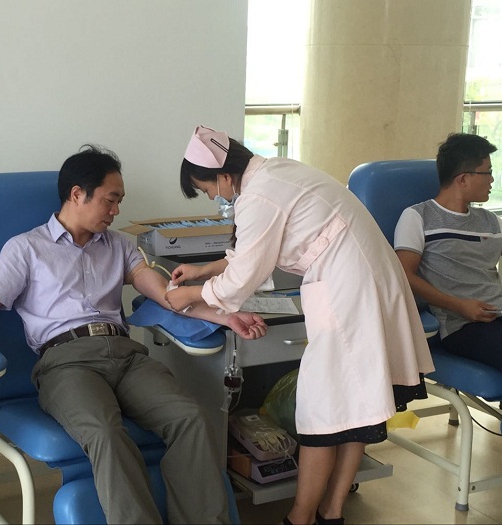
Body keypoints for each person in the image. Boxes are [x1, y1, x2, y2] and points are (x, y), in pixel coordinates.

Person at [0, 144, 267, 524]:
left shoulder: (120, 246)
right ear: (77, 194)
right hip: (66, 363)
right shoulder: (27, 248)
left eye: (119, 201)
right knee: (105, 432)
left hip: (127, 356)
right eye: (110, 200)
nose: (116, 211)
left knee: (192, 418)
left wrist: (226, 316)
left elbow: (167, 296)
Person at [165, 125, 434, 525]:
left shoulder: (257, 196)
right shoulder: (275, 171)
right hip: (366, 278)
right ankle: (331, 512)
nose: (214, 197)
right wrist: (203, 271)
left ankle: (300, 518)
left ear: (223, 176)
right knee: (358, 406)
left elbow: (242, 277)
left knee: (323, 412)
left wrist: (188, 295)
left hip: (350, 289)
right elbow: (251, 253)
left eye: (208, 189)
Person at [394, 133, 502, 372]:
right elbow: (404, 275)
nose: (492, 180)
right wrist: (459, 306)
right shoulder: (418, 217)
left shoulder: (492, 222)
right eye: (488, 172)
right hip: (462, 324)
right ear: (463, 179)